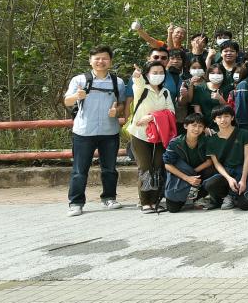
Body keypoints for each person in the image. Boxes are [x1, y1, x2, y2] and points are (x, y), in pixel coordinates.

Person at [64, 46, 130, 215]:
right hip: (84, 132)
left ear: (110, 61)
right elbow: (67, 101)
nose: (101, 61)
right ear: (90, 61)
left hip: (109, 132)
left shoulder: (117, 82)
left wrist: (117, 111)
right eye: (97, 58)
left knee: (109, 169)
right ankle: (76, 202)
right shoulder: (79, 80)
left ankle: (109, 198)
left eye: (105, 58)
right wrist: (76, 96)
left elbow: (122, 104)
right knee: (79, 170)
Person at [126, 61, 177, 213]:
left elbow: (171, 112)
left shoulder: (165, 92)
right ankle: (144, 201)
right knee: (145, 167)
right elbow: (138, 83)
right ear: (147, 74)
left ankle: (154, 200)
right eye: (154, 73)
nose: (158, 75)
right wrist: (137, 76)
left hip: (160, 135)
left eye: (161, 73)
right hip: (140, 134)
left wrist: (153, 117)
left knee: (157, 167)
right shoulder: (142, 89)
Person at [203, 105, 248, 210]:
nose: (223, 120)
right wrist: (229, 179)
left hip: (243, 171)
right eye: (219, 117)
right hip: (226, 173)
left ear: (232, 117)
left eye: (226, 116)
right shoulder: (211, 140)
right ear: (214, 120)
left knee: (246, 205)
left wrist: (243, 180)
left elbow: (247, 158)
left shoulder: (243, 133)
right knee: (210, 184)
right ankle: (227, 196)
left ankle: (237, 195)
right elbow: (217, 164)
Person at [162, 113, 215, 212]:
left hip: (198, 174)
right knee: (172, 208)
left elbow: (209, 161)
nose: (197, 129)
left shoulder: (206, 141)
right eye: (194, 125)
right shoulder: (175, 143)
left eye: (200, 126)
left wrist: (193, 173)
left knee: (212, 171)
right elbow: (167, 164)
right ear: (186, 126)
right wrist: (187, 178)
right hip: (181, 174)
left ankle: (197, 198)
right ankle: (184, 197)